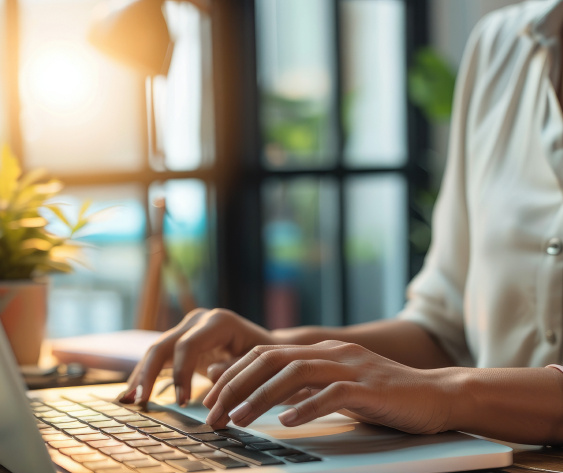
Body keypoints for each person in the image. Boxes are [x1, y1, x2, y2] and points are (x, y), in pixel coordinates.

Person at [121, 0, 563, 445]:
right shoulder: (503, 44)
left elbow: (442, 378)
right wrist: (287, 352)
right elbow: (443, 331)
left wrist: (446, 394)